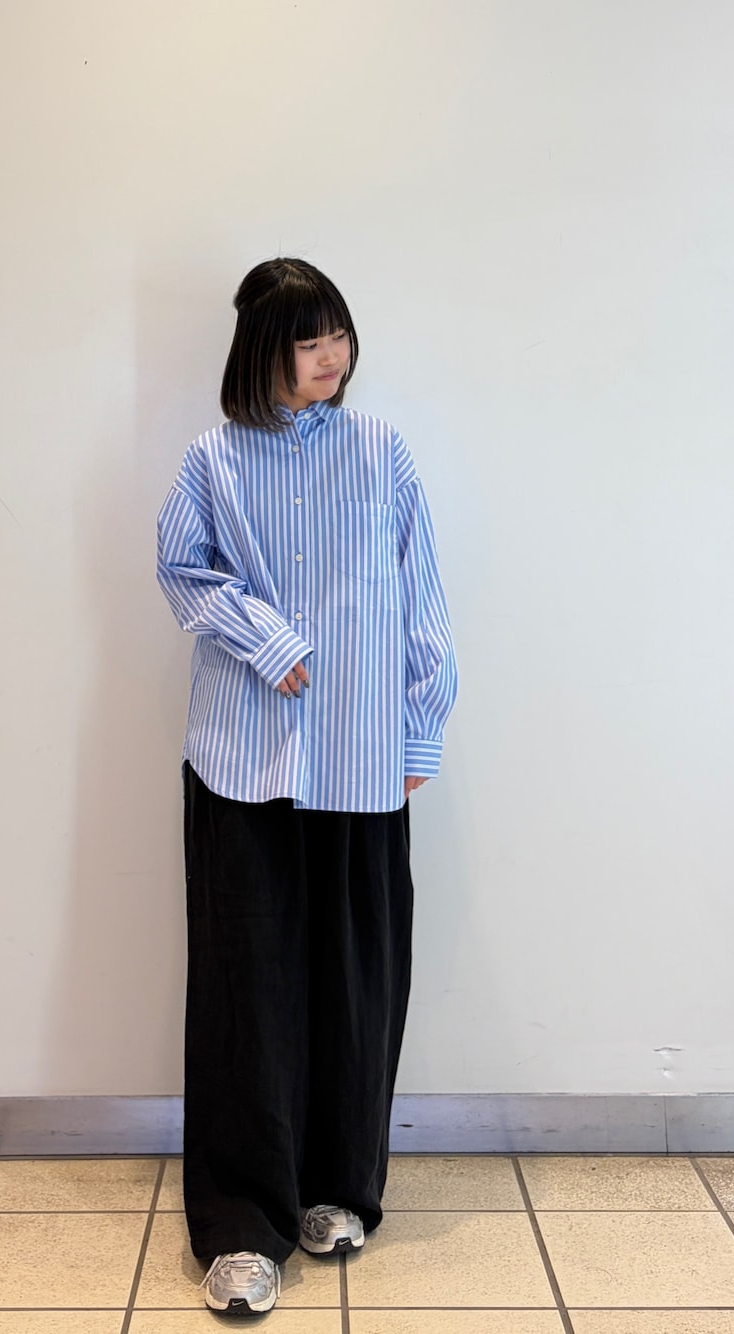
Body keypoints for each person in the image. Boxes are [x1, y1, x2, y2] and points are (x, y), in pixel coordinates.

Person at [156, 257, 457, 1317]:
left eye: (338, 334)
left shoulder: (381, 451)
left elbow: (422, 594)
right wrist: (266, 636)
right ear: (261, 350)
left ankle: (337, 1188)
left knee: (354, 979)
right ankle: (244, 1224)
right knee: (246, 988)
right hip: (241, 757)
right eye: (307, 338)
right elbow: (183, 570)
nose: (332, 355)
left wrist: (419, 724)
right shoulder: (212, 459)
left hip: (363, 758)